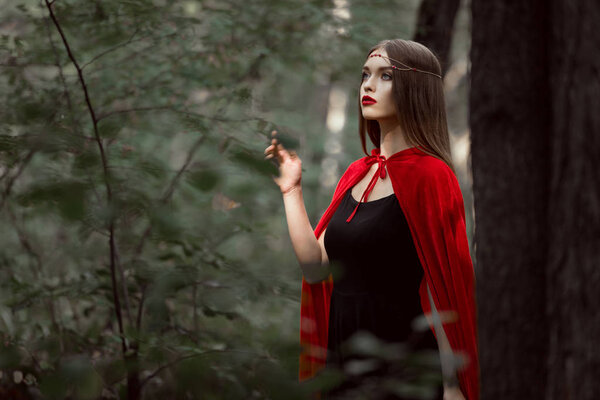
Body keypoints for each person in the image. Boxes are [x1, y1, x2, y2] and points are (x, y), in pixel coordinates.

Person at [264, 39, 479, 400]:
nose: (368, 85)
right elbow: (316, 269)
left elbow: (444, 288)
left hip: (401, 359)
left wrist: (452, 385)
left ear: (415, 87)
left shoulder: (432, 176)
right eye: (365, 75)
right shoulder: (357, 173)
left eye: (385, 76)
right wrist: (291, 191)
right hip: (343, 355)